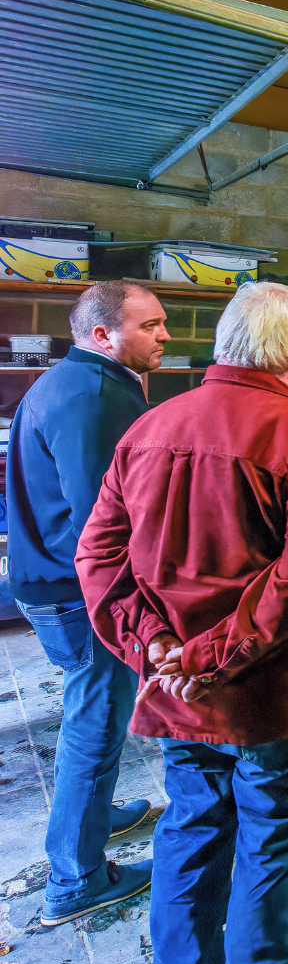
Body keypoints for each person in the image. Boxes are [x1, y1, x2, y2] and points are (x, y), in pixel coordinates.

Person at [75, 282, 288, 964]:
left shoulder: (149, 427)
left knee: (191, 834)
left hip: (183, 694)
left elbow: (97, 555)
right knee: (273, 855)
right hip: (286, 698)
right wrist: (211, 657)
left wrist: (152, 644)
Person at [6, 279, 169, 926]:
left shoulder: (69, 382)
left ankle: (97, 816)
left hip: (50, 580)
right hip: (77, 594)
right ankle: (75, 879)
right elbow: (102, 524)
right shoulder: (93, 396)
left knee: (96, 715)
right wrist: (143, 608)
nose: (164, 336)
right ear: (103, 335)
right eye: (150, 326)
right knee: (95, 726)